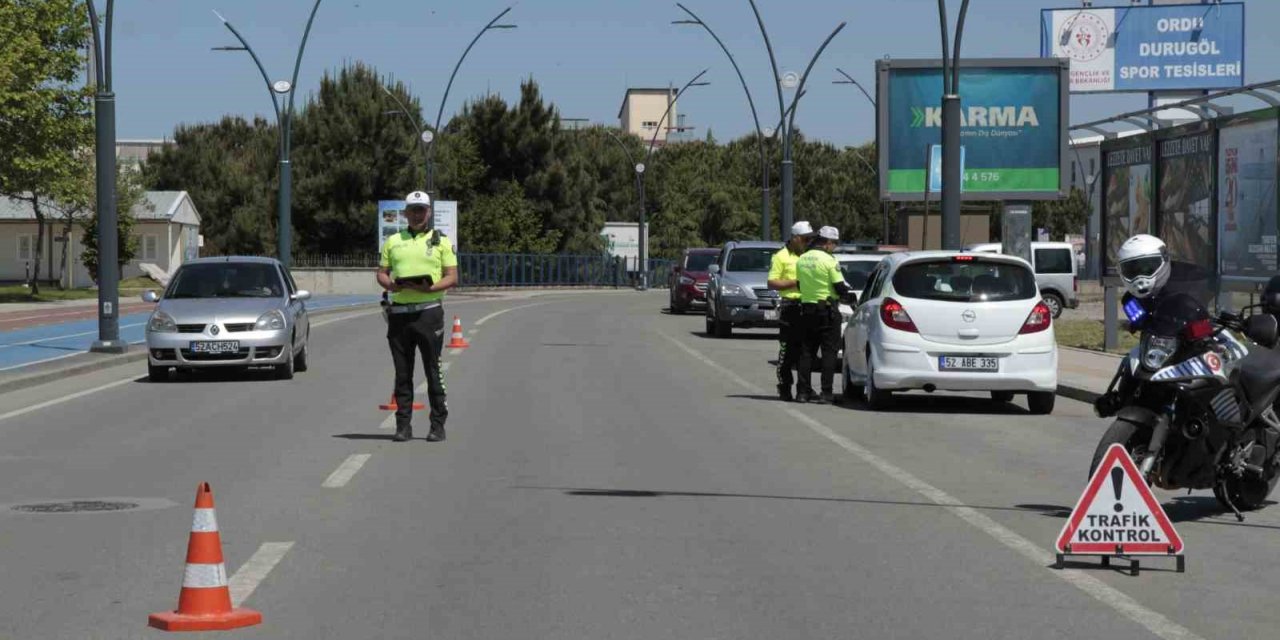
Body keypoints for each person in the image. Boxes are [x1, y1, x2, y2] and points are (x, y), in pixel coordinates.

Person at [376, 191, 458, 442]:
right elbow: (381, 273)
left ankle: (437, 425)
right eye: (413, 210)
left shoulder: (440, 240)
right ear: (405, 213)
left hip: (429, 312)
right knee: (402, 373)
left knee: (433, 370)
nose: (417, 214)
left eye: (422, 209)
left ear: (429, 212)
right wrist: (391, 285)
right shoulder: (393, 241)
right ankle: (403, 426)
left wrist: (430, 288)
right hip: (399, 315)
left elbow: (452, 276)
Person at [795, 225, 853, 404]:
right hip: (827, 311)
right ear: (827, 242)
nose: (834, 246)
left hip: (806, 310)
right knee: (829, 353)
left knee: (806, 352)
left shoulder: (802, 259)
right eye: (834, 243)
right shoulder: (829, 260)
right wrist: (849, 297)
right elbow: (839, 286)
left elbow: (798, 285)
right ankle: (826, 393)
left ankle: (802, 393)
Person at [767, 221, 815, 401]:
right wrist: (796, 283)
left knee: (805, 351)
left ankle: (804, 389)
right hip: (790, 306)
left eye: (809, 239)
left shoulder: (809, 256)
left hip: (808, 305)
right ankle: (784, 386)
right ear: (795, 238)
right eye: (804, 239)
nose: (807, 242)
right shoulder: (781, 256)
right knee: (787, 350)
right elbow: (772, 282)